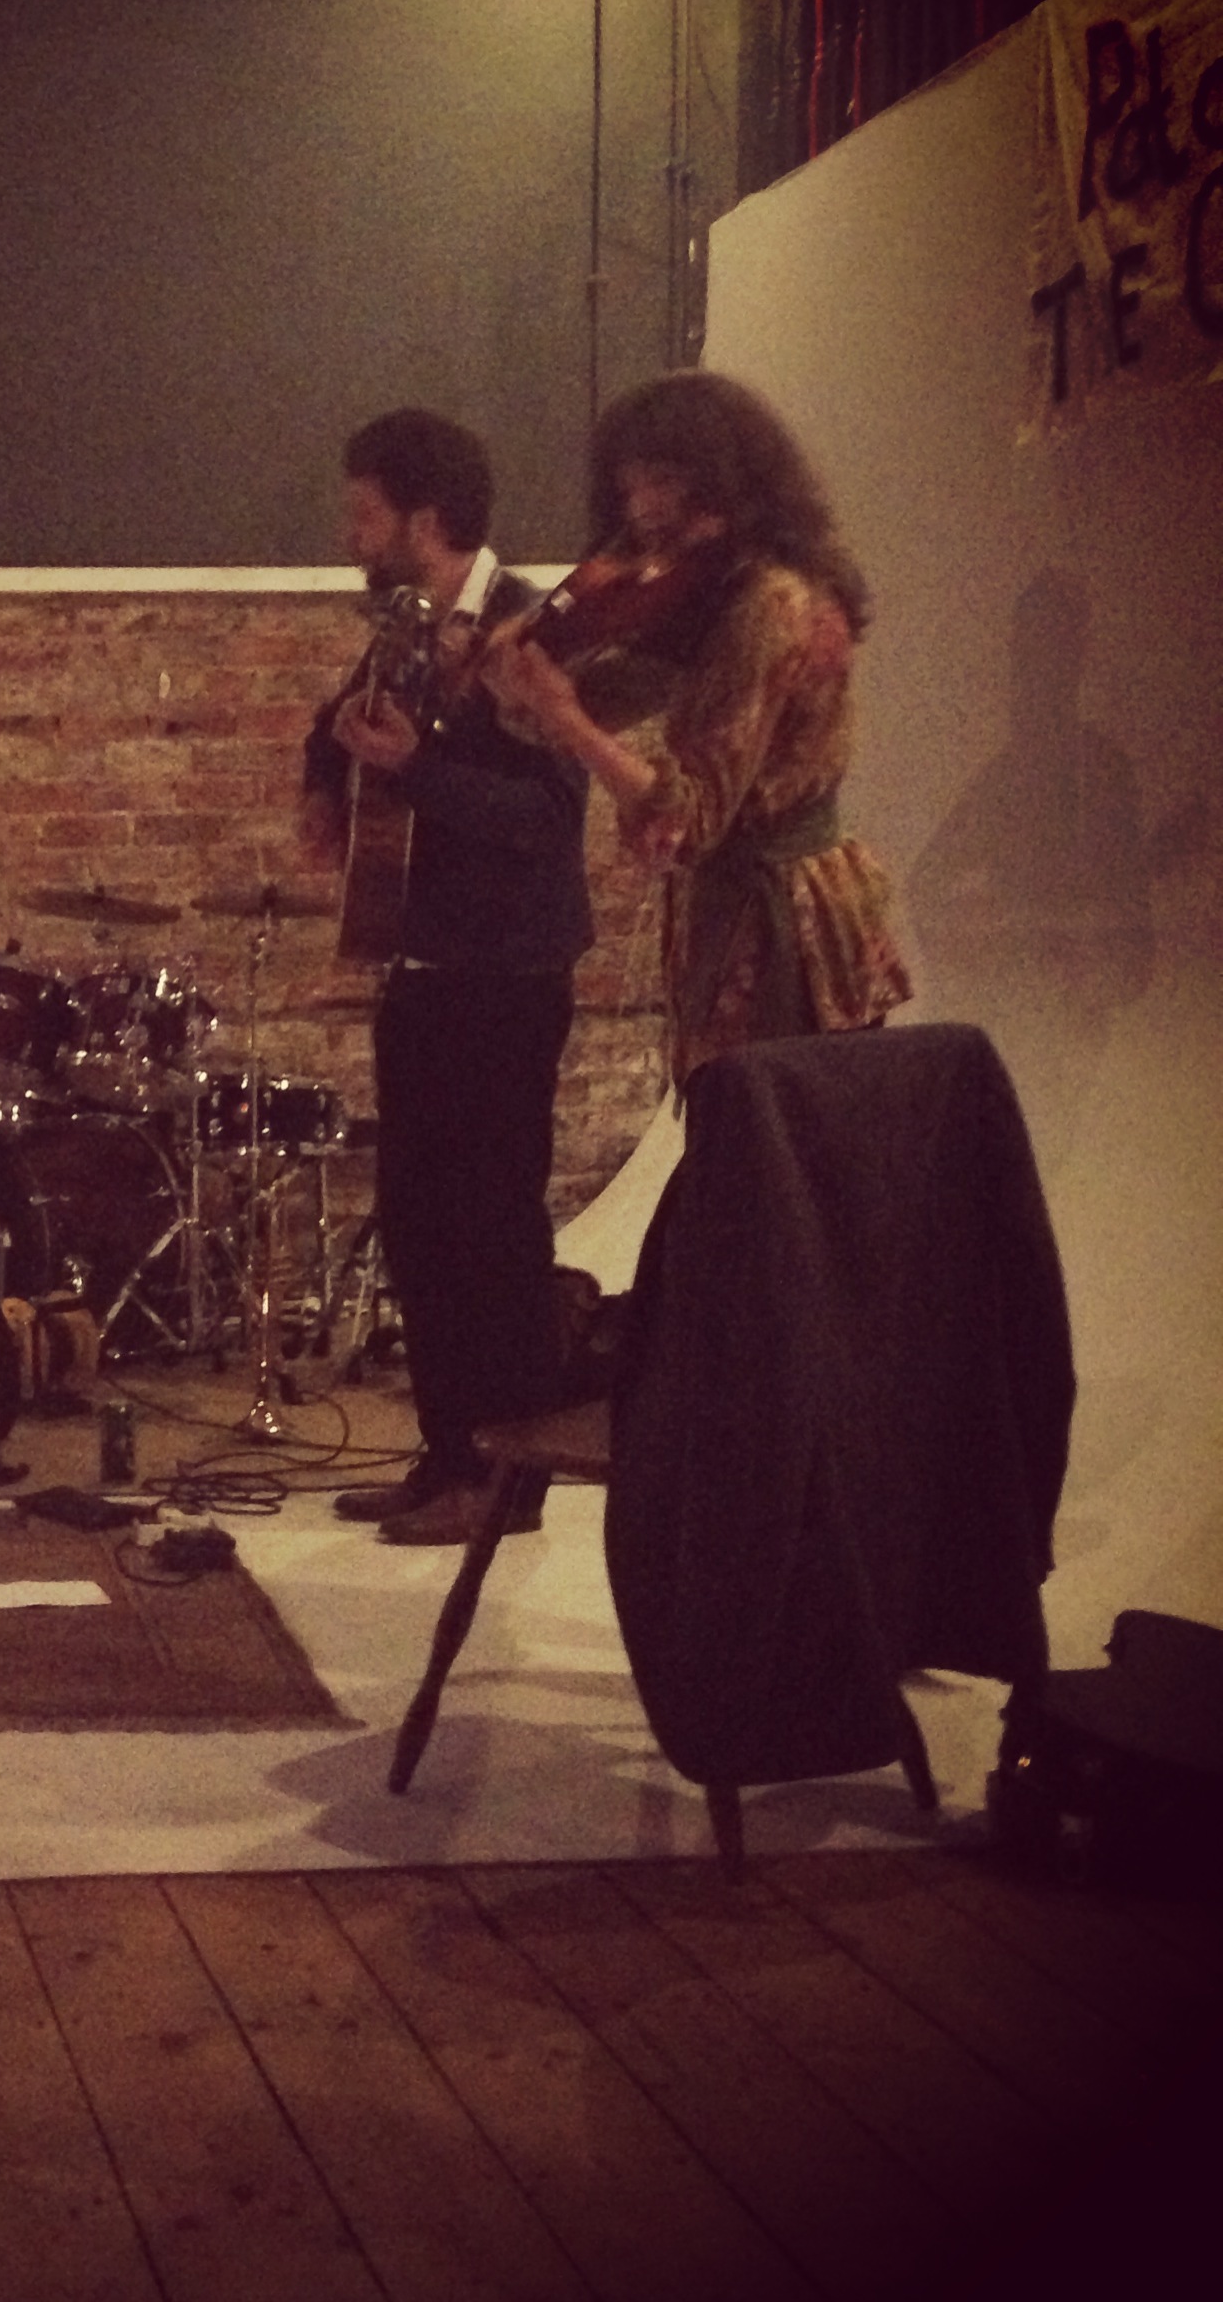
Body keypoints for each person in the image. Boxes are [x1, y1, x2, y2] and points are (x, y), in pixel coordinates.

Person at [298, 409, 593, 1546]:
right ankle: (446, 1454)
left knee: (494, 1230)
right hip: (422, 968)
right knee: (418, 1223)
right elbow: (332, 727)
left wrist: (415, 769)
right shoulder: (406, 629)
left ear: (424, 519)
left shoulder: (530, 634)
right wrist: (324, 786)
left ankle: (506, 1483)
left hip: (507, 976)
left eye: (363, 510)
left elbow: (546, 822)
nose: (348, 530)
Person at [481, 370, 912, 1089]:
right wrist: (521, 685)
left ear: (724, 480)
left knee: (768, 1144)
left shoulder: (772, 604)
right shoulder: (711, 595)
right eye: (630, 487)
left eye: (663, 483)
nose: (641, 508)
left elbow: (690, 813)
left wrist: (562, 714)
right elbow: (592, 706)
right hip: (746, 907)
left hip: (786, 930)